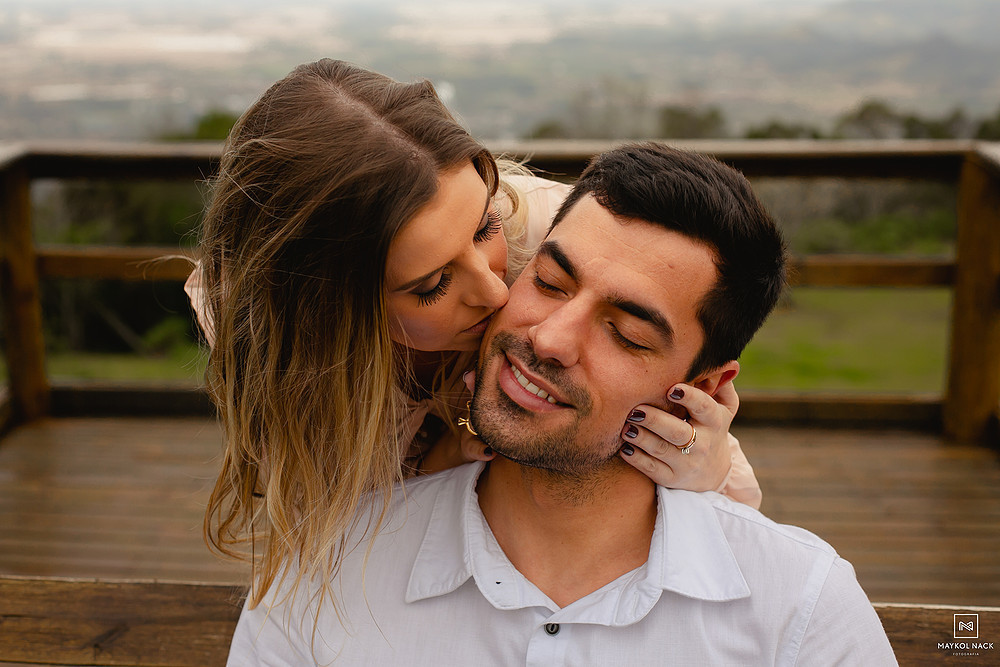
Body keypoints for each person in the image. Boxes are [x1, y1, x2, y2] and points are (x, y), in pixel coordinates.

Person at [227, 143, 897, 665]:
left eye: (626, 333)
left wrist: (716, 474)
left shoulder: (801, 608)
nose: (548, 338)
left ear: (707, 389)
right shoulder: (323, 574)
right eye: (547, 283)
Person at [195, 60, 760, 619]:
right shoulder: (277, 352)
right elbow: (335, 548)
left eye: (485, 229)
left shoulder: (552, 236)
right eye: (434, 284)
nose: (495, 291)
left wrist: (706, 474)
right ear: (328, 314)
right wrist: (442, 461)